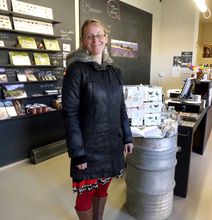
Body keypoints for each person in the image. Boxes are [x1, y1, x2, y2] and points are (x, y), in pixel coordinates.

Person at [62, 19, 133, 220]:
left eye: (99, 35)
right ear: (83, 40)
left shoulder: (115, 71)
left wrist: (127, 137)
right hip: (88, 147)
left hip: (111, 144)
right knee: (85, 196)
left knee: (102, 190)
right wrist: (77, 152)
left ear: (106, 38)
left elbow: (121, 106)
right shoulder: (76, 71)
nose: (95, 40)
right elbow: (70, 113)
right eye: (89, 36)